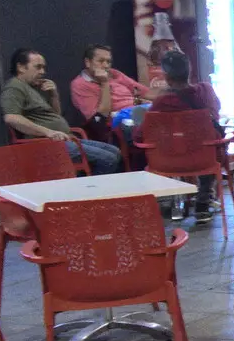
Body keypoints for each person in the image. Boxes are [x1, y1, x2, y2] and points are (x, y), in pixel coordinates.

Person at [0, 48, 123, 174]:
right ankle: (91, 191)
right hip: (44, 144)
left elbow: (56, 115)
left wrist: (54, 95)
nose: (43, 72)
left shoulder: (35, 87)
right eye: (38, 67)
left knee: (116, 151)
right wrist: (49, 132)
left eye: (43, 67)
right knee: (108, 159)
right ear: (21, 67)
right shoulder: (14, 87)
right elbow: (11, 117)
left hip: (63, 139)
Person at [149, 50, 224, 224]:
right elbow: (216, 113)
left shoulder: (161, 102)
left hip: (168, 162)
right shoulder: (205, 90)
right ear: (189, 70)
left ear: (166, 76)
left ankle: (174, 202)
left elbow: (145, 134)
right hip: (204, 160)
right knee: (208, 147)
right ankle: (203, 203)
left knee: (174, 146)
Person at [70, 43, 156, 145]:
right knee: (156, 120)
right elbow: (100, 117)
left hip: (136, 111)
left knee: (166, 111)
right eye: (101, 61)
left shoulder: (114, 73)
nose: (106, 66)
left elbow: (144, 92)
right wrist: (104, 83)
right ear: (88, 62)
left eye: (108, 62)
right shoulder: (80, 85)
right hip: (116, 123)